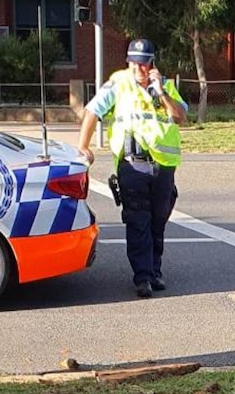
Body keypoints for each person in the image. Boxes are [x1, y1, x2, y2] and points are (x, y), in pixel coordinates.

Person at [77, 38, 187, 298]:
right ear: (128, 62)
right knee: (138, 221)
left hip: (163, 165)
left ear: (152, 63)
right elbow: (92, 112)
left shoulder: (166, 86)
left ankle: (154, 271)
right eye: (134, 63)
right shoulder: (119, 82)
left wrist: (160, 92)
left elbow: (180, 116)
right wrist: (84, 146)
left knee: (158, 222)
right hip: (132, 164)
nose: (139, 68)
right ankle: (143, 277)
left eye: (144, 63)